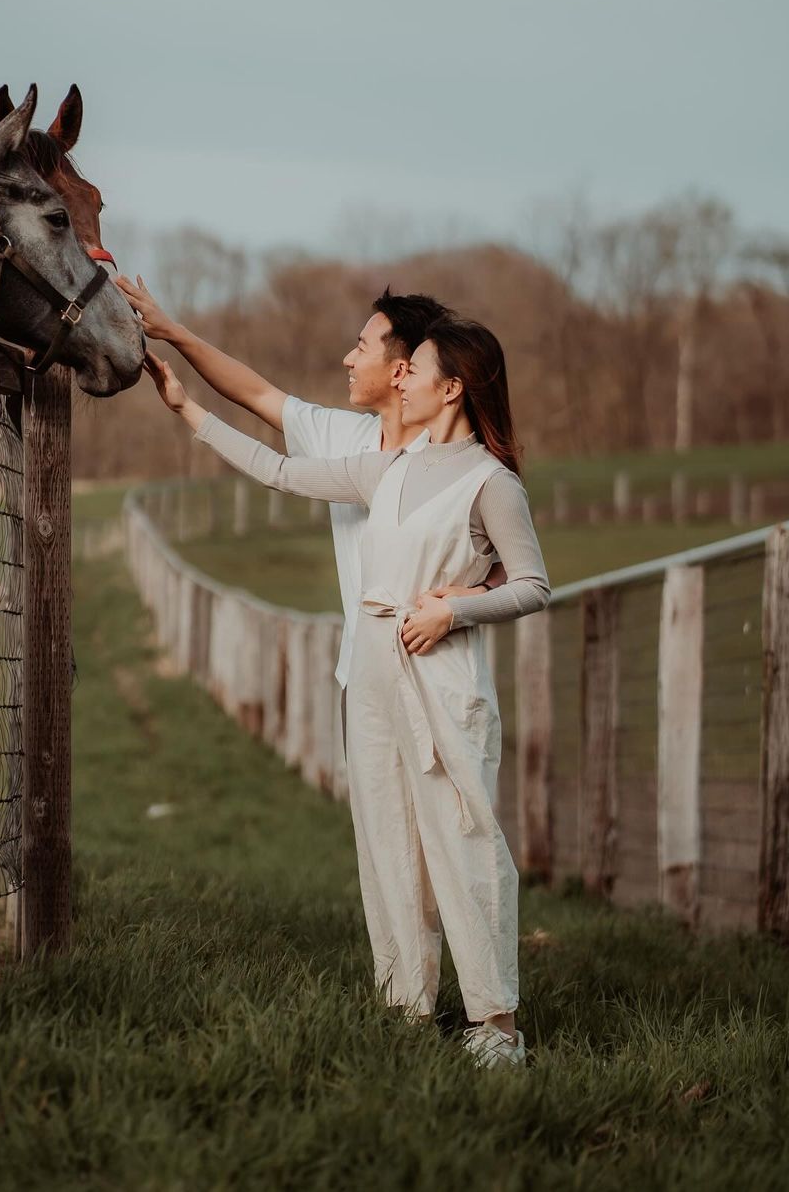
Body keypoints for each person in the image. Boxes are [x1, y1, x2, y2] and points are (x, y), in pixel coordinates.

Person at [143, 317, 550, 1069]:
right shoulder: (383, 468)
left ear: (451, 389)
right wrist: (186, 410)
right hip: (369, 669)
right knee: (385, 838)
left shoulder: (492, 483)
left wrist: (454, 610)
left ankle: (497, 1026)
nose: (401, 379)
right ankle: (407, 1004)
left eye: (413, 369)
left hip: (439, 675)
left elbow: (532, 584)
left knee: (462, 839)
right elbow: (277, 470)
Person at [116, 277, 503, 702]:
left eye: (361, 348)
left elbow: (512, 566)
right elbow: (256, 397)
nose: (348, 359)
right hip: (363, 678)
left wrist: (466, 603)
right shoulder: (345, 437)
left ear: (399, 371)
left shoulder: (457, 464)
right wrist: (173, 334)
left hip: (440, 686)